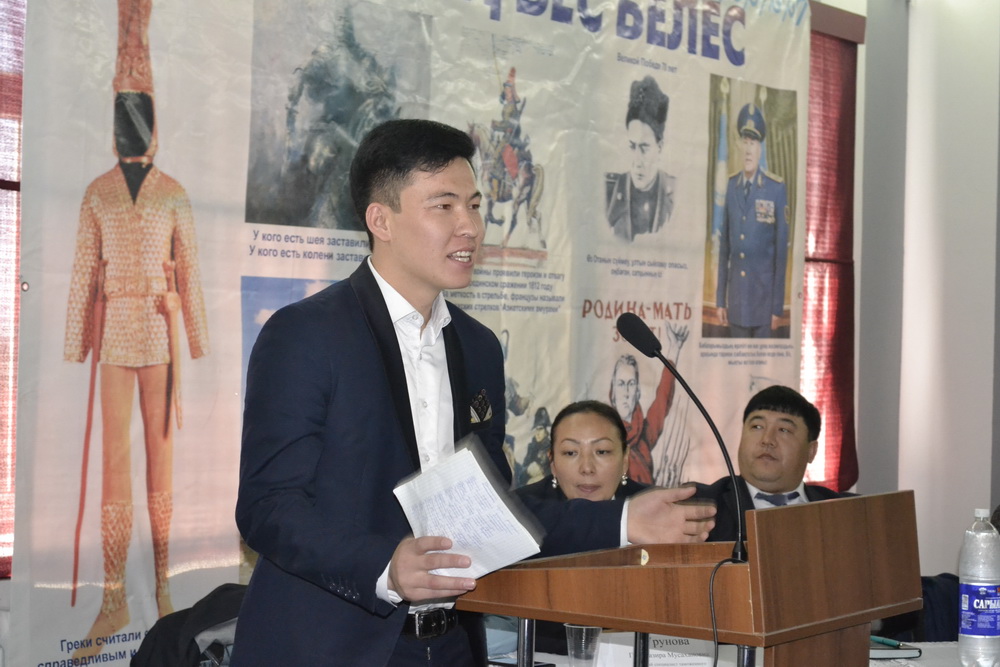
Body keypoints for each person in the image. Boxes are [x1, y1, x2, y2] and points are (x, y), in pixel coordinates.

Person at [233, 119, 715, 666]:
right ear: (381, 220)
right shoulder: (307, 334)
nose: (470, 227)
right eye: (444, 206)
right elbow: (269, 507)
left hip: (451, 645)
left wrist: (624, 520)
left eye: (475, 205)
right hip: (332, 648)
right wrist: (384, 566)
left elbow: (492, 512)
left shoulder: (477, 346)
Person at [65, 1, 209, 659]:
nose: (131, 124)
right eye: (123, 113)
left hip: (158, 329)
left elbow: (192, 271)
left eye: (139, 112)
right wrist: (76, 339)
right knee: (115, 466)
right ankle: (114, 593)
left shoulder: (173, 191)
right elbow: (80, 270)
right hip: (115, 332)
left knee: (161, 462)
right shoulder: (97, 191)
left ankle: (164, 584)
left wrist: (194, 333)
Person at [488, 400, 650, 656]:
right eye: (571, 453)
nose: (587, 468)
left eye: (602, 451)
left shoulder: (652, 511)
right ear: (552, 462)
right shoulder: (521, 513)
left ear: (625, 459)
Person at [693, 385, 849, 542]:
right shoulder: (698, 507)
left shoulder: (847, 511)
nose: (767, 439)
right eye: (757, 427)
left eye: (784, 430)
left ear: (811, 451)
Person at [715, 103, 790, 338]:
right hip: (737, 303)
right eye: (745, 142)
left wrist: (776, 307)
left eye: (753, 143)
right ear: (739, 145)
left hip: (763, 305)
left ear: (760, 148)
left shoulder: (775, 189)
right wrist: (720, 300)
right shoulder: (731, 186)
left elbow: (781, 255)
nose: (748, 150)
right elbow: (724, 248)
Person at [610, 323, 688, 484]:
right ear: (613, 393)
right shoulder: (603, 434)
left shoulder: (644, 434)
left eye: (631, 384)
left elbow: (663, 398)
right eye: (621, 384)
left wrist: (674, 348)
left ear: (637, 392)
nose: (626, 391)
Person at [605, 75, 675, 242]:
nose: (637, 161)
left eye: (644, 148)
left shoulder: (676, 196)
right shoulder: (607, 194)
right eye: (632, 146)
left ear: (659, 147)